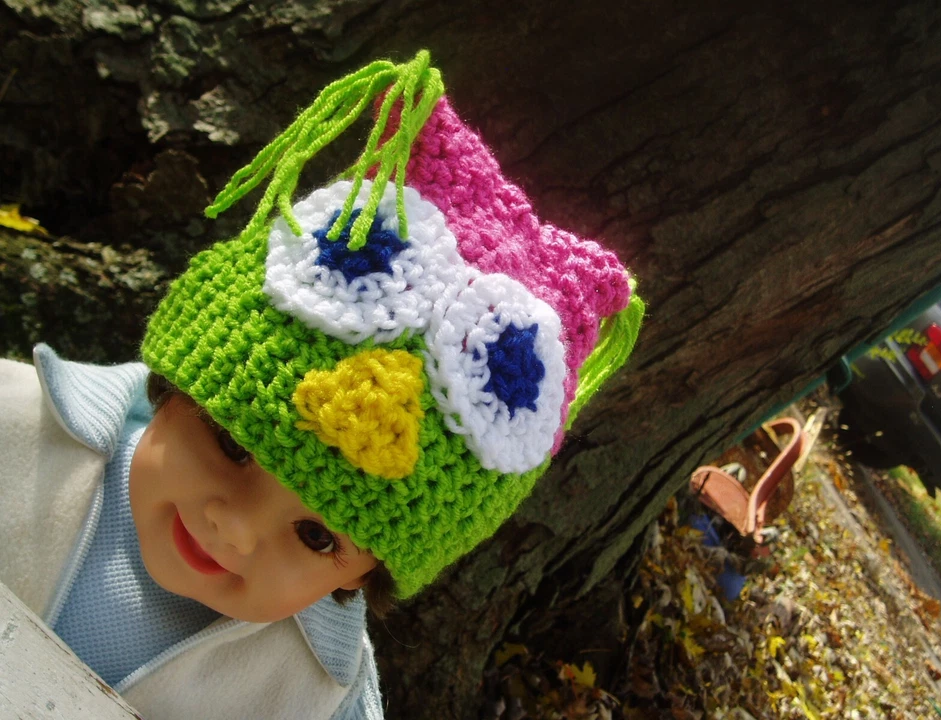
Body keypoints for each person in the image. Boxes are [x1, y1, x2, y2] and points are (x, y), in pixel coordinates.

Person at [0, 50, 644, 719]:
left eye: (316, 538)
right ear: (176, 383)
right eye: (233, 445)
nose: (238, 529)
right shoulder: (13, 428)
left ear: (367, 577)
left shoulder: (316, 701)